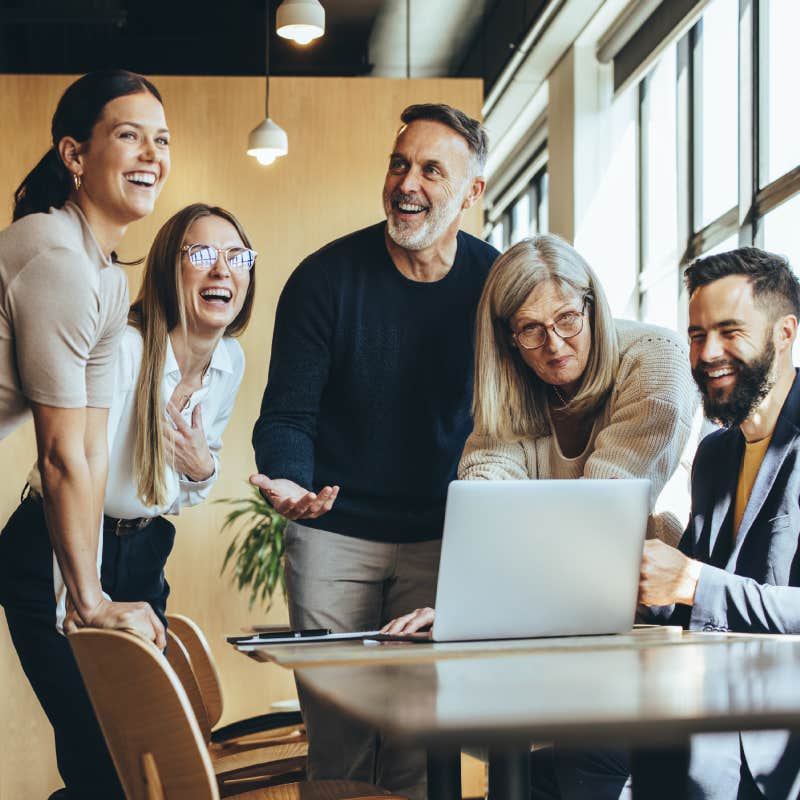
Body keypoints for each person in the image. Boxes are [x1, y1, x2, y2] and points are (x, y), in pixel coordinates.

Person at [251, 103, 498, 799]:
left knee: (419, 743)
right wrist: (292, 483)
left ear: (472, 194)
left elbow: (515, 420)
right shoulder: (323, 279)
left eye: (430, 169)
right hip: (334, 536)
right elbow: (287, 415)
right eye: (398, 163)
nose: (407, 183)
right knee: (339, 741)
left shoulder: (495, 284)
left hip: (442, 538)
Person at [531, 247, 800, 799]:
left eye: (730, 332)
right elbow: (681, 597)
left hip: (774, 733)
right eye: (698, 335)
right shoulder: (716, 454)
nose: (708, 353)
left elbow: (703, 588)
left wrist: (692, 582)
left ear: (784, 333)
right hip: (702, 705)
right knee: (551, 766)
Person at [384, 233, 698, 636]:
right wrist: (465, 609)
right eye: (531, 329)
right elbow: (489, 510)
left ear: (592, 305)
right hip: (554, 604)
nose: (554, 344)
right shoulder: (512, 387)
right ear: (508, 340)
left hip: (661, 613)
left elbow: (600, 519)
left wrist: (483, 607)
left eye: (567, 318)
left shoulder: (656, 361)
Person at [0, 69, 170, 798]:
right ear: (75, 155)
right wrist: (89, 599)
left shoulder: (104, 277)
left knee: (107, 759)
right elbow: (61, 453)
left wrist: (91, 595)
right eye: (128, 135)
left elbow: (92, 444)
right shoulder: (55, 258)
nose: (152, 155)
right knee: (103, 763)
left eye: (161, 140)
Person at [102, 202, 254, 631]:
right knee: (85, 701)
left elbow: (180, 493)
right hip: (60, 547)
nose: (222, 270)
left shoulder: (230, 359)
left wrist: (203, 467)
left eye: (237, 257)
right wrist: (84, 596)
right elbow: (73, 475)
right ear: (170, 269)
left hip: (141, 549)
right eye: (203, 255)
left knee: (152, 700)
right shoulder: (125, 350)